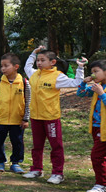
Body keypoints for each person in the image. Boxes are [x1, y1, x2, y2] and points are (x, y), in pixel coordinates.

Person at [23, 47, 86, 184]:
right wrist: (33, 54)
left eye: (42, 60)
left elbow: (76, 83)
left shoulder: (58, 76)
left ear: (52, 62)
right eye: (38, 60)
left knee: (56, 146)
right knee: (37, 145)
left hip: (51, 117)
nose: (39, 63)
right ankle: (36, 169)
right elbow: (27, 65)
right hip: (36, 117)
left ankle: (58, 173)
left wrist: (80, 68)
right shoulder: (33, 74)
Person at [76, 60, 106, 192]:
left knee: (97, 156)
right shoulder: (98, 85)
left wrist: (102, 93)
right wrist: (84, 82)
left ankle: (102, 184)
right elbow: (80, 94)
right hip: (96, 126)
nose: (94, 74)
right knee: (105, 155)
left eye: (96, 71)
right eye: (92, 72)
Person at [0, 53, 31, 174]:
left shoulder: (24, 82)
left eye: (6, 66)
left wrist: (26, 118)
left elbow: (28, 101)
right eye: (2, 66)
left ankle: (16, 163)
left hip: (17, 119)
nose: (3, 69)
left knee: (17, 142)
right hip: (0, 119)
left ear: (16, 66)